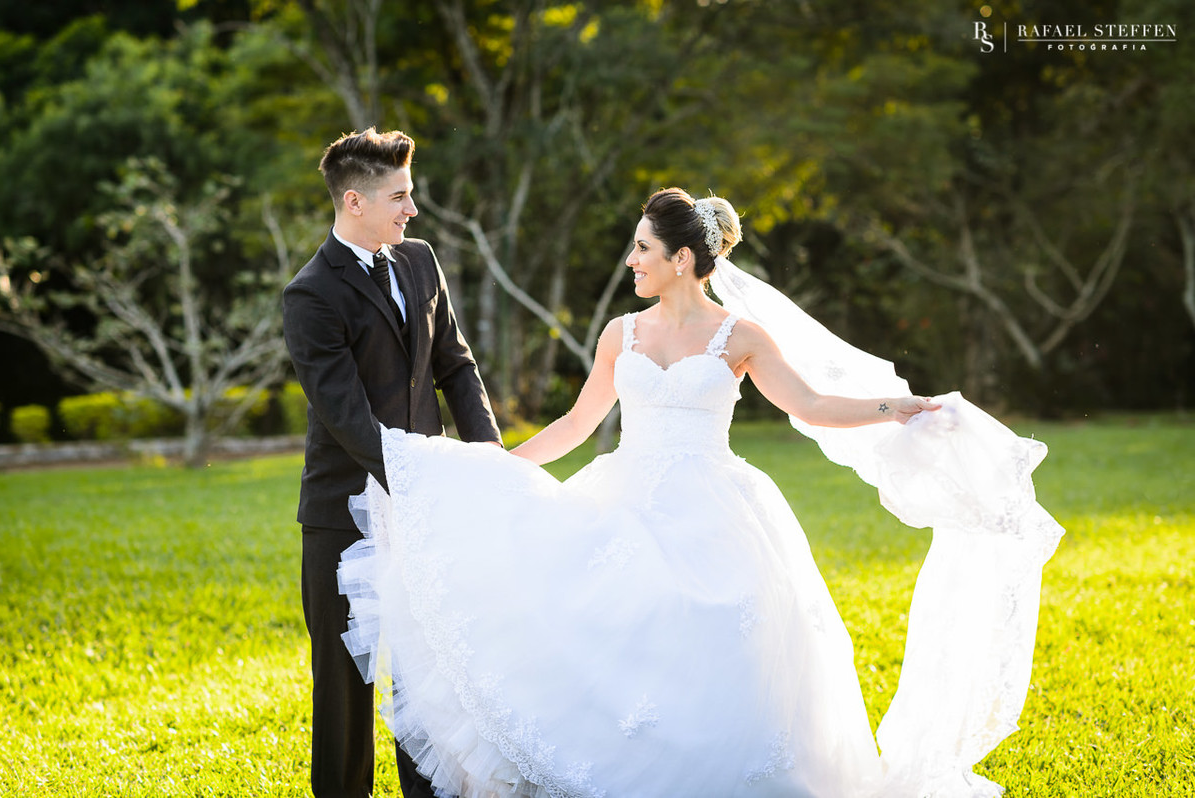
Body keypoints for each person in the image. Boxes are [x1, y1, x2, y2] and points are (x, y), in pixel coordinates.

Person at [336, 188, 1063, 797]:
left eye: (642, 250)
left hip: (716, 512)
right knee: (615, 632)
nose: (631, 262)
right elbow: (579, 423)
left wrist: (891, 408)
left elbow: (809, 405)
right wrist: (497, 468)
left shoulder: (739, 336)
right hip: (622, 496)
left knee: (725, 646)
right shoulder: (622, 334)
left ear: (681, 259)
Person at [283, 127, 502, 798]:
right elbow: (347, 415)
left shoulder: (421, 260)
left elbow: (455, 367)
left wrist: (488, 460)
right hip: (343, 513)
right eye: (400, 197)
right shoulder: (311, 294)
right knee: (345, 684)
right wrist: (421, 478)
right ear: (355, 201)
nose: (412, 210)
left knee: (427, 670)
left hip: (425, 506)